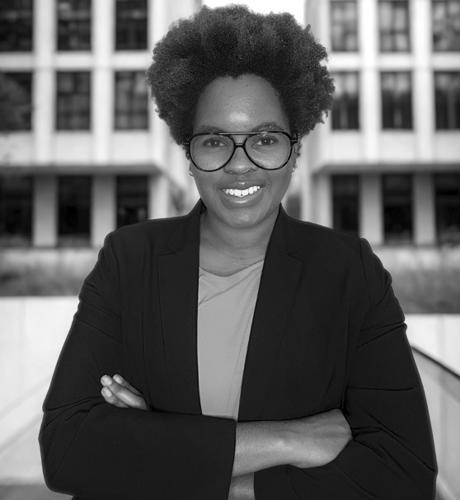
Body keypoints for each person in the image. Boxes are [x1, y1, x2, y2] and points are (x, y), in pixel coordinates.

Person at [39, 5, 437, 499]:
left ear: (295, 150)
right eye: (214, 141)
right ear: (189, 155)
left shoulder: (348, 272)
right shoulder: (129, 260)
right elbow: (66, 449)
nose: (240, 164)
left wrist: (169, 455)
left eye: (265, 139)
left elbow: (404, 472)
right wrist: (287, 440)